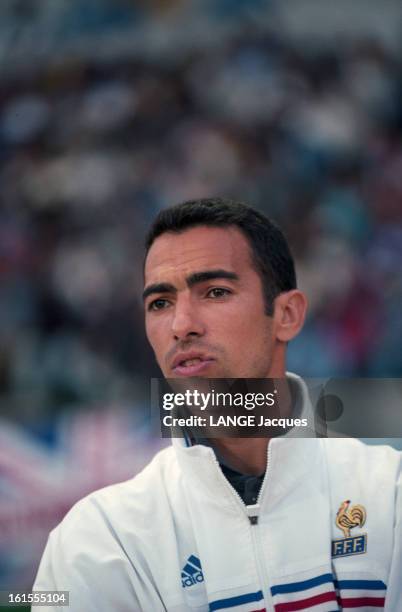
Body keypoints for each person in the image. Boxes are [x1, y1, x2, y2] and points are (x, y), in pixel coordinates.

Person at [33, 198, 401, 611]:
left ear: (287, 315)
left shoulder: (391, 494)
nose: (181, 325)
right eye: (160, 303)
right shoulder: (101, 540)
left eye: (215, 292)